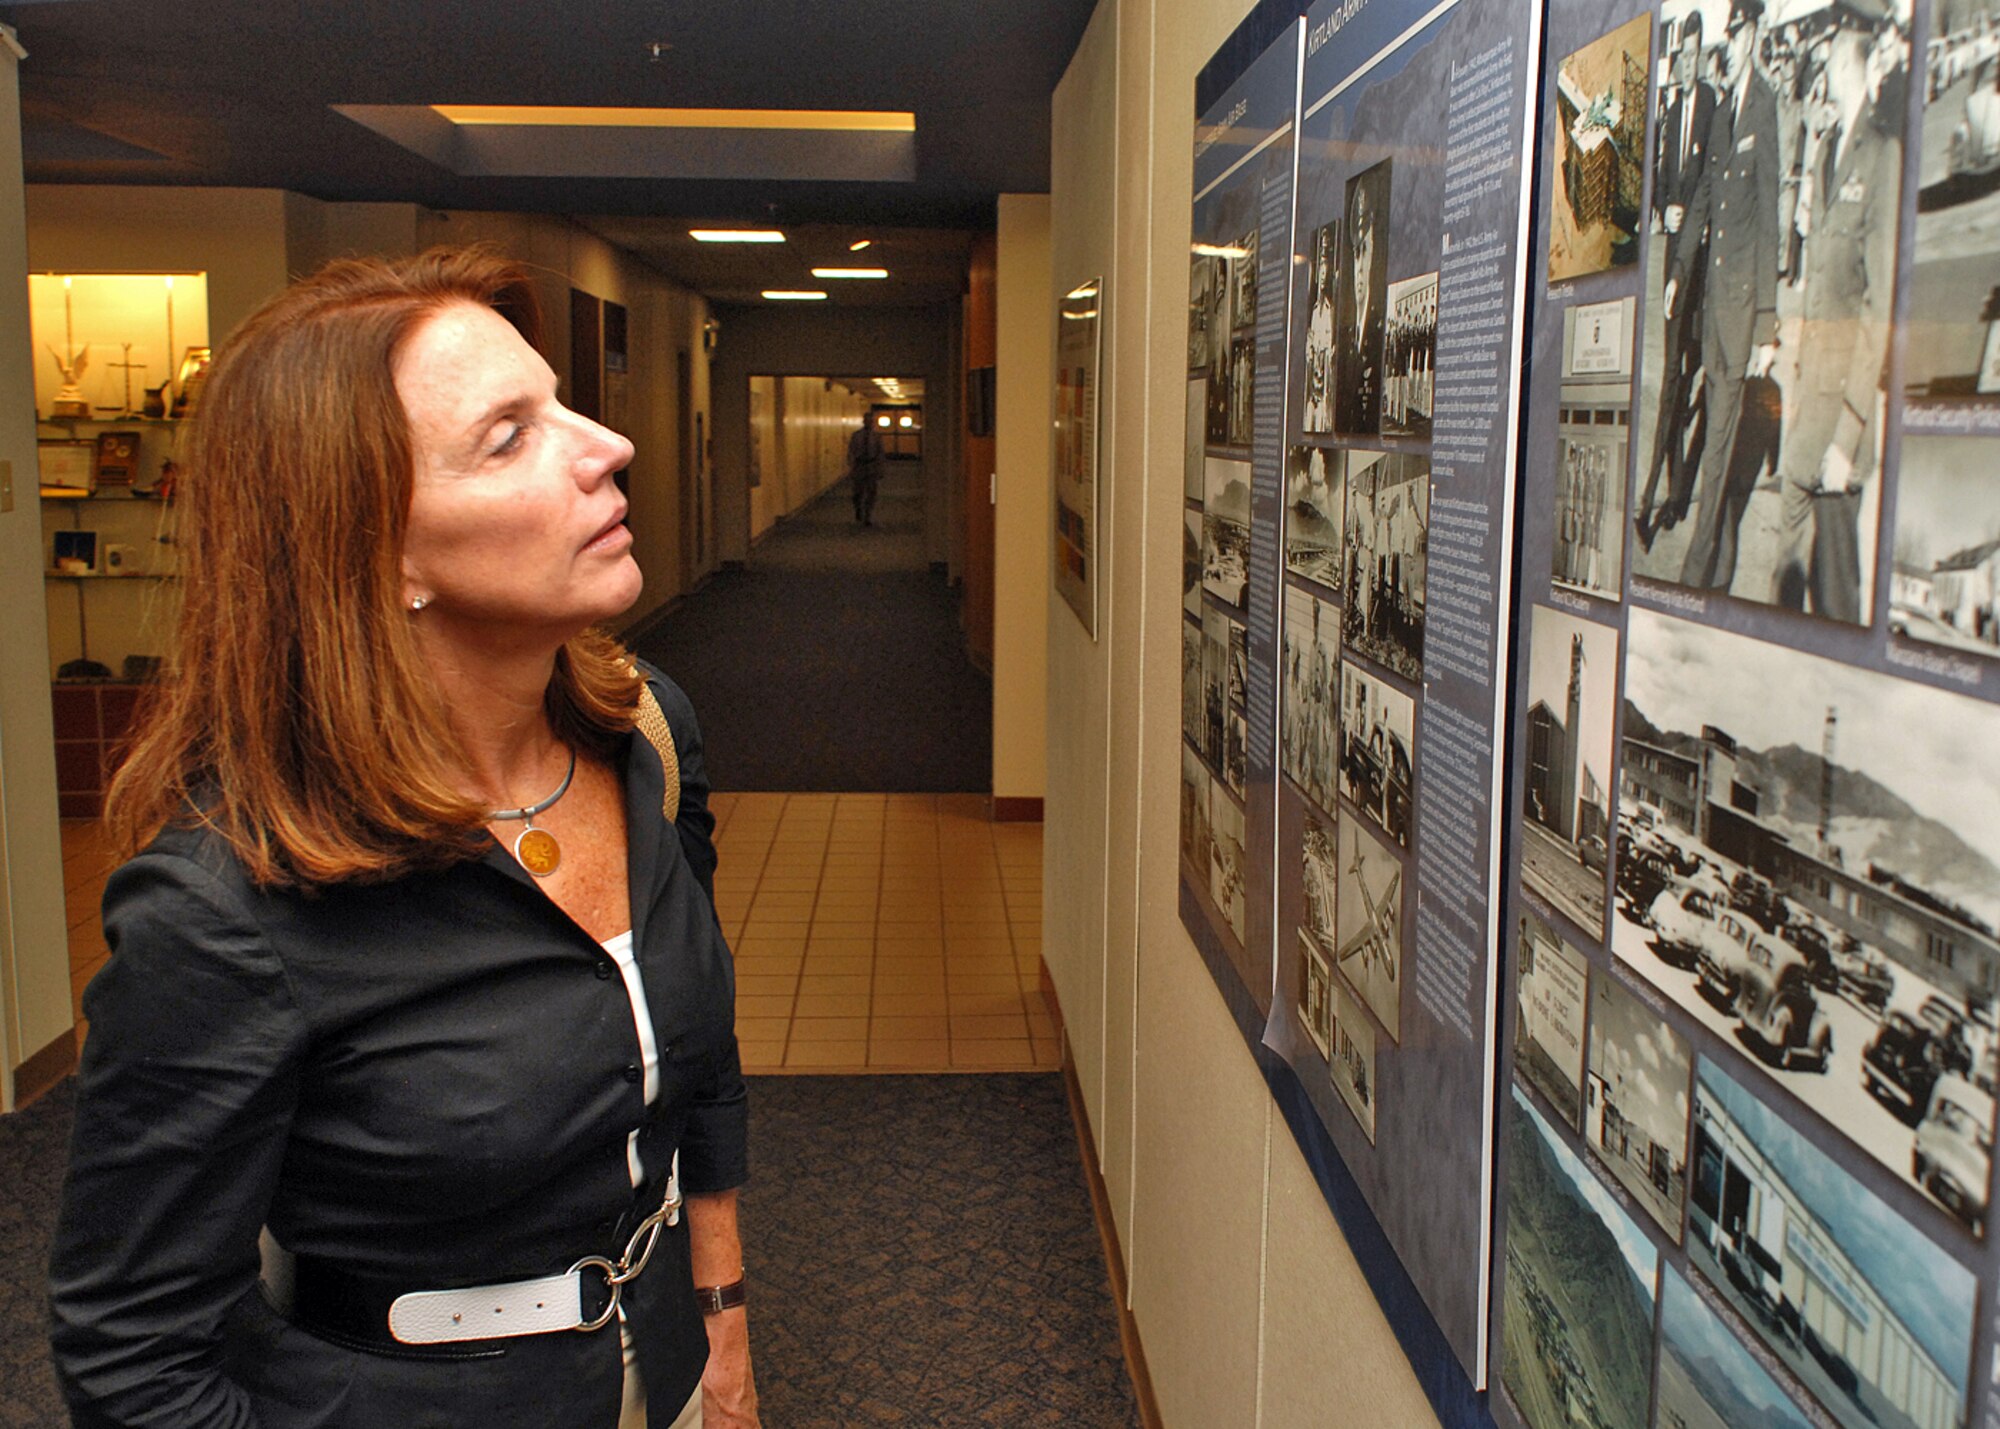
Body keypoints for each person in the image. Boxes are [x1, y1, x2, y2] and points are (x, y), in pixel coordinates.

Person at [48, 249, 758, 1429]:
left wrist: (722, 1324)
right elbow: (132, 1358)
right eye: (509, 435)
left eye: (560, 400)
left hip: (665, 1366)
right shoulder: (224, 908)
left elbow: (701, 1055)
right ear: (377, 552)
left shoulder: (647, 732)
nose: (606, 446)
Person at [1769, 0, 1902, 621]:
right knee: (1784, 576)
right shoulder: (1826, 155)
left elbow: (1880, 306)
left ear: (1857, 50)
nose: (1818, 56)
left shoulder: (1881, 153)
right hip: (1805, 411)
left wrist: (1849, 434)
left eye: (1829, 42)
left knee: (1838, 594)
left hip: (1839, 424)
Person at [1671, 0, 1782, 591]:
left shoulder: (1764, 107)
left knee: (1717, 443)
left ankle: (1697, 567)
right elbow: (1705, 197)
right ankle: (1715, 569)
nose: (1730, 42)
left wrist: (1767, 324)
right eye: (1729, 33)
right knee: (1716, 437)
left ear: (1755, 32)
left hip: (1741, 311)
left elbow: (1769, 220)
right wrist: (1680, 267)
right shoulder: (1722, 114)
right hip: (1714, 302)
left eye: (1737, 33)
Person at [1637, 9, 1717, 548]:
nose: (1687, 66)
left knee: (1689, 369)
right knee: (1672, 372)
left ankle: (1670, 489)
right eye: (1681, 57)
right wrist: (1666, 207)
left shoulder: (1710, 103)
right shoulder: (1669, 110)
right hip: (1674, 253)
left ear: (1702, 57)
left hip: (1704, 255)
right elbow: (1663, 173)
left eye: (1694, 56)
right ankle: (1659, 494)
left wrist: (1692, 212)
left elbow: (1709, 171)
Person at [846, 416, 885, 525]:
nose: (869, 423)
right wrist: (851, 465)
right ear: (864, 422)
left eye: (871, 421)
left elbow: (880, 452)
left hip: (871, 465)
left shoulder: (877, 437)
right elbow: (851, 450)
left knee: (871, 492)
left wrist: (880, 468)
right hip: (859, 465)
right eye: (867, 421)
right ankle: (858, 509)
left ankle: (867, 515)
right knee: (857, 492)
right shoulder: (856, 435)